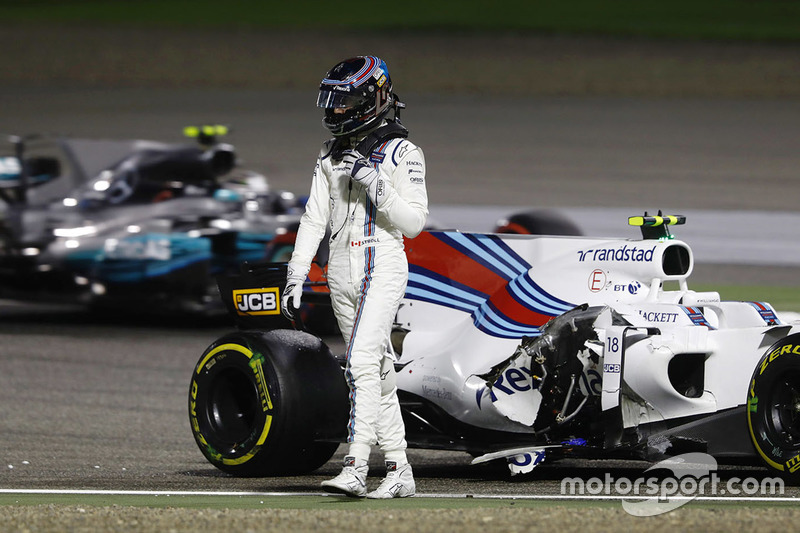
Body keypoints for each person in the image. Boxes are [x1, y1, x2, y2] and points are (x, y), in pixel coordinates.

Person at [281, 56, 428, 498]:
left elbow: (415, 222)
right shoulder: (328, 153)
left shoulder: (404, 152)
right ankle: (400, 469)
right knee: (377, 372)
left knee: (361, 363)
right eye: (333, 102)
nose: (335, 111)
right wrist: (296, 273)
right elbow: (313, 218)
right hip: (341, 269)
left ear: (369, 100)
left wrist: (376, 183)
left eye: (344, 103)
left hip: (382, 262)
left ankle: (356, 465)